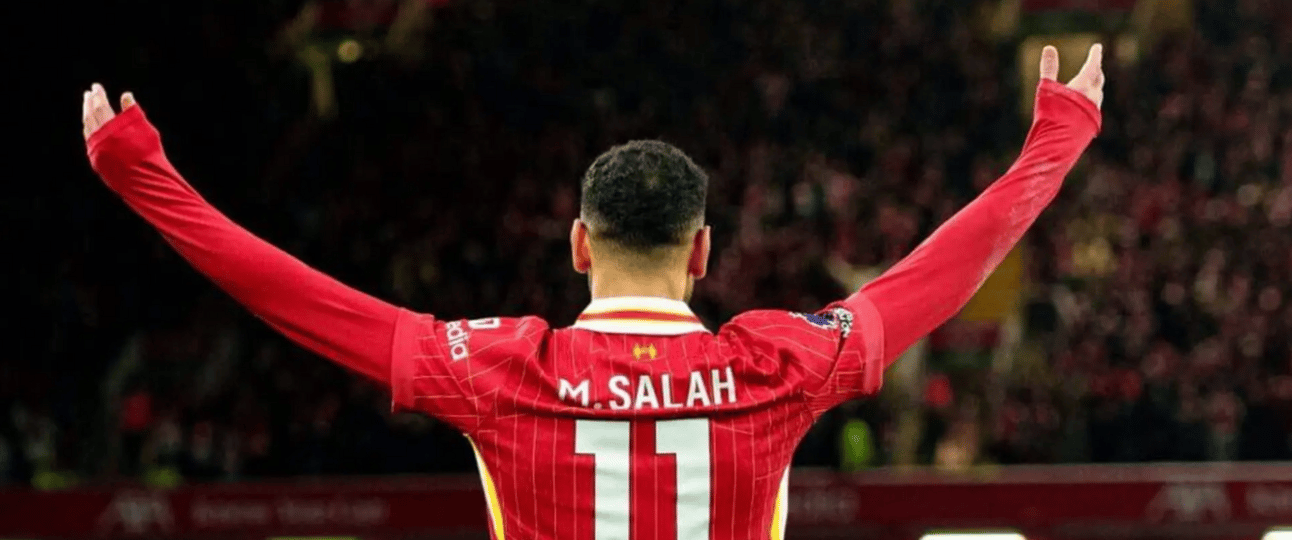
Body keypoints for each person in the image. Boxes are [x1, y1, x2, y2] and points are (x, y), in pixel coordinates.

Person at [82, 44, 1104, 540]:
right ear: (701, 252)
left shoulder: (492, 366)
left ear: (578, 244)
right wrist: (1051, 145)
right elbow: (934, 277)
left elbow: (296, 296)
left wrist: (146, 181)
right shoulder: (780, 363)